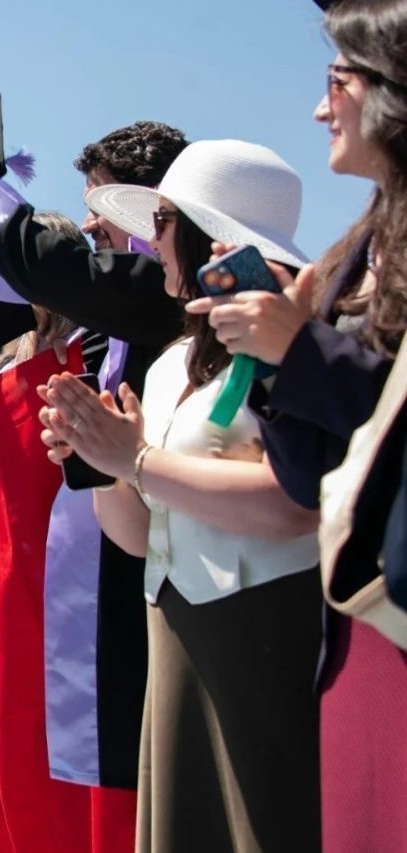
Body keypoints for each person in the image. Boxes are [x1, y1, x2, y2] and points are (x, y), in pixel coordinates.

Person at [42, 140, 323, 852]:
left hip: (268, 635)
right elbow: (142, 537)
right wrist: (100, 459)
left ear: (208, 232)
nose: (151, 240)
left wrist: (135, 459)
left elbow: (294, 505)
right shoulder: (169, 364)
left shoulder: (301, 347)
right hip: (173, 639)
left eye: (162, 221)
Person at [185, 2, 407, 846]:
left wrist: (302, 350)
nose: (319, 109)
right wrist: (276, 366)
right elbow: (313, 475)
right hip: (357, 621)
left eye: (336, 82)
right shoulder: (352, 252)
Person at [0, 123, 188, 847]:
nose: (90, 224)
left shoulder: (170, 294)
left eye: (102, 205)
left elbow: (65, 275)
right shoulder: (115, 329)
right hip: (118, 568)